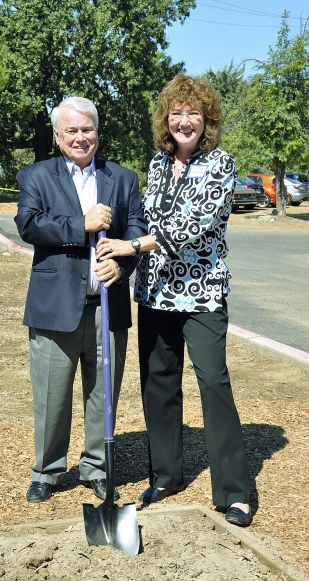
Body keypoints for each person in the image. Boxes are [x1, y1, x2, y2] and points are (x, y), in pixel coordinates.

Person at [96, 75, 251, 527]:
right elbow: (145, 216)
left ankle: (236, 492)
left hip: (202, 294)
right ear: (166, 118)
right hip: (156, 291)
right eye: (177, 113)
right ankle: (166, 475)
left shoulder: (221, 164)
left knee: (213, 384)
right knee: (158, 383)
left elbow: (195, 224)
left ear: (208, 120)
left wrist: (132, 247)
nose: (185, 121)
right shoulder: (158, 164)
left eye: (194, 113)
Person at [15, 97, 147, 503]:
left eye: (86, 129)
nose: (80, 136)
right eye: (70, 130)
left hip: (108, 308)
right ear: (57, 136)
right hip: (55, 307)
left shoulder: (122, 178)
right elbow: (28, 223)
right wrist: (81, 223)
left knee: (102, 393)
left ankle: (96, 467)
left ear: (97, 133)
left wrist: (123, 268)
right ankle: (47, 470)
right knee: (53, 396)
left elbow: (138, 231)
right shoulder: (35, 176)